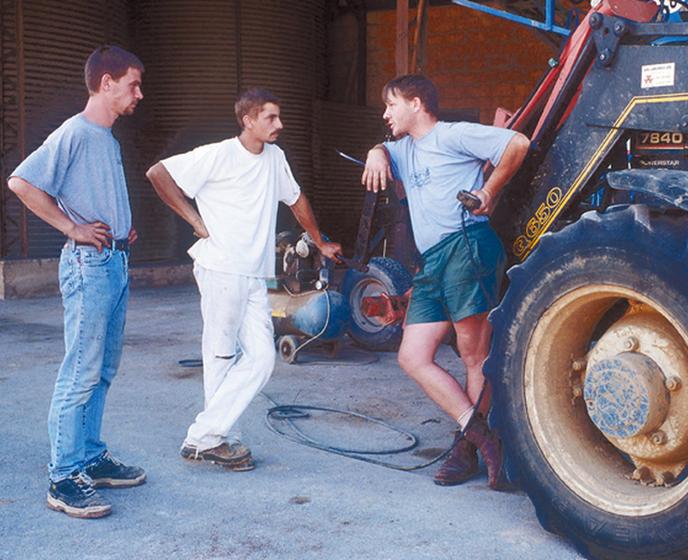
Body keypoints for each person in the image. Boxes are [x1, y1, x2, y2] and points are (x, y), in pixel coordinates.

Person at [146, 87, 341, 471]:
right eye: (270, 117)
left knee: (263, 359)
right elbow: (158, 173)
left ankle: (208, 435)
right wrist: (195, 221)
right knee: (220, 355)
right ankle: (217, 439)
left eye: (279, 117)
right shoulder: (218, 155)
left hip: (254, 274)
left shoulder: (275, 157)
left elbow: (296, 198)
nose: (279, 124)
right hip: (220, 267)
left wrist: (320, 241)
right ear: (247, 120)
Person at [362, 74, 529, 490]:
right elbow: (382, 148)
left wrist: (488, 191)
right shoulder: (402, 149)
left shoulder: (453, 136)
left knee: (474, 355)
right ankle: (483, 436)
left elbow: (517, 144)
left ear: (416, 103)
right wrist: (376, 152)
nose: (386, 114)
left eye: (391, 105)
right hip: (433, 261)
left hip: (467, 246)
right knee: (412, 356)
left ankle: (467, 449)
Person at [7, 46, 146, 519]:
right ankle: (63, 477)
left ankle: (90, 457)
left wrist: (119, 224)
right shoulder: (75, 131)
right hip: (89, 266)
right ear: (106, 84)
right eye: (133, 85)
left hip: (115, 261)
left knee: (102, 371)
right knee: (79, 373)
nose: (139, 94)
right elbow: (22, 183)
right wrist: (72, 229)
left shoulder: (107, 139)